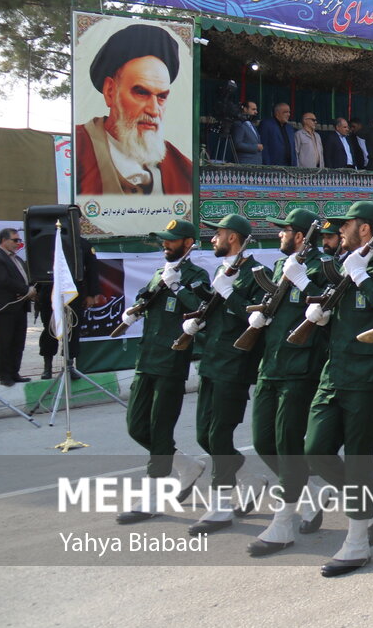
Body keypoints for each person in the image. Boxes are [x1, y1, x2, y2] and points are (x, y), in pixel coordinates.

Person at [301, 201, 373, 576]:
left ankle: (357, 541)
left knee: (360, 457)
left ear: (367, 230)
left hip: (370, 376)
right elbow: (340, 316)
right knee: (315, 450)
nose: (340, 230)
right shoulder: (341, 265)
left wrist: (362, 278)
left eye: (347, 225)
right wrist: (320, 312)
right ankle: (366, 504)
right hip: (335, 372)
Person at [241, 210, 331, 555]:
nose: (280, 236)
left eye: (285, 232)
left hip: (300, 368)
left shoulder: (321, 267)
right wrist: (262, 314)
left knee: (287, 442)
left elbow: (329, 310)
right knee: (264, 441)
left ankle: (282, 523)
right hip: (271, 365)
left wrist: (306, 285)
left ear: (301, 236)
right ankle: (309, 489)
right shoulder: (281, 267)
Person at [112, 219, 211, 523]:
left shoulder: (196, 275)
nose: (165, 245)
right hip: (147, 359)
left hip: (171, 362)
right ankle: (186, 465)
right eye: (164, 241)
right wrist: (135, 308)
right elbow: (147, 298)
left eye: (171, 240)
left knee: (160, 430)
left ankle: (152, 498)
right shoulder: (159, 273)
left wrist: (179, 287)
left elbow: (204, 312)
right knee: (136, 426)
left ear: (189, 244)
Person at [181, 214, 272, 535]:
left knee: (219, 434)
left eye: (218, 234)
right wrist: (198, 322)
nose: (212, 240)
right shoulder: (223, 270)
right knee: (204, 435)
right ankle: (249, 478)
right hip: (212, 361)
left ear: (233, 237)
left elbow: (259, 319)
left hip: (234, 366)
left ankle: (219, 508)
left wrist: (230, 294)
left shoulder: (258, 274)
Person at [76, 23, 193, 194]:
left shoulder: (181, 169)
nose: (153, 110)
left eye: (161, 97)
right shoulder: (76, 150)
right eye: (141, 93)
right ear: (110, 92)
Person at [36, 236, 99, 380]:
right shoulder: (46, 240)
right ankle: (48, 367)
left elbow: (92, 270)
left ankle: (69, 366)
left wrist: (91, 294)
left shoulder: (82, 243)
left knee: (73, 328)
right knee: (50, 328)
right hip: (49, 291)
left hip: (74, 292)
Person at [0, 228, 35, 384]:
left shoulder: (17, 259)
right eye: (15, 240)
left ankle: (14, 372)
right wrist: (26, 290)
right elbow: (3, 280)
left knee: (18, 342)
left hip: (20, 306)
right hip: (6, 308)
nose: (18, 243)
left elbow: (24, 279)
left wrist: (31, 290)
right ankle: (4, 376)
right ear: (4, 240)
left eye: (19, 240)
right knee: (6, 342)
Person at [233, 100, 263, 164]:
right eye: (253, 109)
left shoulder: (252, 124)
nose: (256, 112)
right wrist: (255, 147)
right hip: (245, 163)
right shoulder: (239, 124)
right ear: (245, 109)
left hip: (256, 163)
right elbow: (237, 144)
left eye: (256, 109)